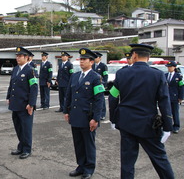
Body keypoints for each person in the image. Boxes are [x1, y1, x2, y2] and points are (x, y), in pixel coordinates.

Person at [109, 44, 174, 179]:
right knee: (159, 158)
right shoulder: (158, 75)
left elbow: (113, 96)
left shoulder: (122, 73)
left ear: (134, 55)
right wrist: (167, 126)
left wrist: (113, 119)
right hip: (148, 124)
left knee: (127, 161)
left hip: (126, 122)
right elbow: (164, 102)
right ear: (148, 57)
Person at [63, 48, 104, 179]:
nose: (81, 62)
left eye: (84, 59)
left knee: (88, 144)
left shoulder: (96, 78)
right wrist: (66, 111)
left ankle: (89, 168)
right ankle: (81, 166)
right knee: (78, 143)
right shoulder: (75, 76)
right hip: (75, 115)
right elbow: (68, 95)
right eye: (80, 59)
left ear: (91, 62)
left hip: (88, 117)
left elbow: (99, 100)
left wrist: (96, 118)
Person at [7, 47, 38, 159]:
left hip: (25, 105)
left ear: (26, 57)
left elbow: (34, 88)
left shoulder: (30, 70)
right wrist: (8, 96)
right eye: (17, 56)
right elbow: (12, 84)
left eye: (20, 56)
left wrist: (31, 104)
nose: (18, 58)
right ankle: (21, 146)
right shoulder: (15, 69)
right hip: (15, 103)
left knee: (26, 128)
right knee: (18, 127)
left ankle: (27, 149)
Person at [165, 60, 184, 134]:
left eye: (170, 67)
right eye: (168, 67)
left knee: (175, 112)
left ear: (174, 67)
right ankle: (168, 125)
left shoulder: (178, 76)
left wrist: (181, 97)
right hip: (167, 96)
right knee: (167, 112)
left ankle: (176, 126)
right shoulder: (165, 75)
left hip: (175, 97)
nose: (169, 68)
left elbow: (181, 87)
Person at [92, 52, 108, 120]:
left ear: (100, 58)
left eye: (96, 57)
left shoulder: (103, 66)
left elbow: (105, 76)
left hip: (100, 85)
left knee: (101, 100)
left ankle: (102, 114)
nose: (95, 59)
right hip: (93, 85)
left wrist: (104, 84)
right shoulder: (92, 65)